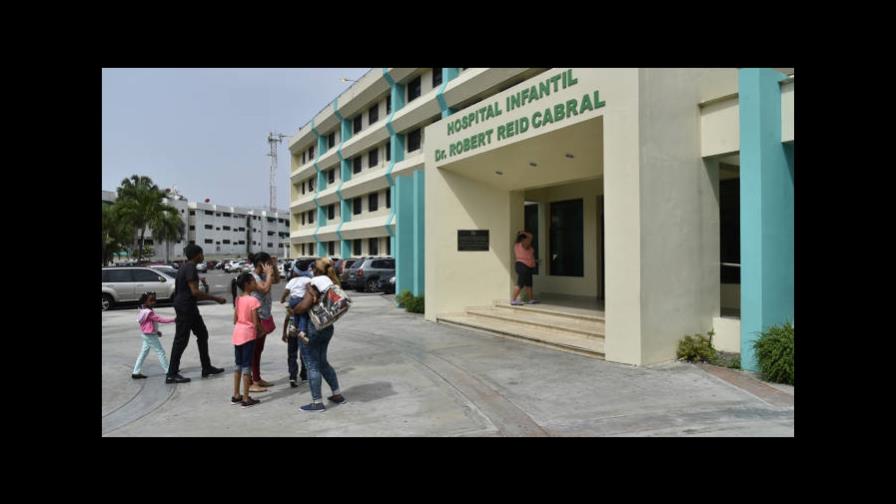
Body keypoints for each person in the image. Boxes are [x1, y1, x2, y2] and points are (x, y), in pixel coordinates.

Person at [288, 257, 346, 412]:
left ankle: (317, 402)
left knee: (312, 365)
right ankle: (337, 394)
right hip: (327, 327)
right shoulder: (331, 282)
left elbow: (304, 306)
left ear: (315, 269)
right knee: (323, 362)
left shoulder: (316, 282)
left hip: (312, 328)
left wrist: (293, 310)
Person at [166, 244, 227, 384]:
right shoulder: (190, 268)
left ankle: (206, 367)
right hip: (185, 308)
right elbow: (195, 292)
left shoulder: (186, 267)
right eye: (202, 254)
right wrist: (215, 299)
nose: (203, 256)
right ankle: (171, 374)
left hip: (189, 307)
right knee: (181, 340)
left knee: (202, 334)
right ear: (197, 255)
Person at [248, 252, 280, 392]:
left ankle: (257, 378)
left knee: (258, 350)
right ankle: (249, 382)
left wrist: (275, 267)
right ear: (261, 263)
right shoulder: (252, 277)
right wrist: (268, 273)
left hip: (264, 315)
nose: (269, 265)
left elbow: (277, 280)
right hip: (257, 318)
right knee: (252, 350)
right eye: (267, 263)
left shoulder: (263, 276)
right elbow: (265, 288)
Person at [230, 273, 262, 408]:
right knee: (246, 365)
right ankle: (246, 397)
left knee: (238, 365)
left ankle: (236, 394)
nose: (256, 283)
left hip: (237, 333)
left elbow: (234, 320)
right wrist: (261, 330)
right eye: (254, 281)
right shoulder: (253, 300)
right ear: (248, 284)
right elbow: (255, 322)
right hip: (248, 335)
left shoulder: (238, 299)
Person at [131, 292, 174, 379]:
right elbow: (159, 319)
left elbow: (149, 324)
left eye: (154, 300)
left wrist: (156, 331)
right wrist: (174, 319)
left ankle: (135, 372)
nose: (153, 302)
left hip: (146, 334)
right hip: (150, 335)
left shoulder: (143, 311)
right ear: (145, 302)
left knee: (143, 353)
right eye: (151, 300)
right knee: (160, 352)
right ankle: (168, 371)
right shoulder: (149, 312)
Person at [280, 269, 310, 387]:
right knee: (303, 354)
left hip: (292, 331)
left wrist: (284, 333)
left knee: (292, 355)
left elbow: (287, 319)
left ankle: (292, 377)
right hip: (302, 332)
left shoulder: (291, 308)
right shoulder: (303, 307)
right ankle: (304, 375)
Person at [510, 230, 539, 306]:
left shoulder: (522, 245)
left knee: (529, 284)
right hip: (522, 265)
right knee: (520, 283)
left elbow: (528, 255)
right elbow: (531, 236)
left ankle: (531, 299)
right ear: (523, 239)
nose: (529, 240)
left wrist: (534, 261)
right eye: (527, 239)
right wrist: (524, 233)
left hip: (527, 266)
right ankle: (513, 300)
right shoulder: (522, 244)